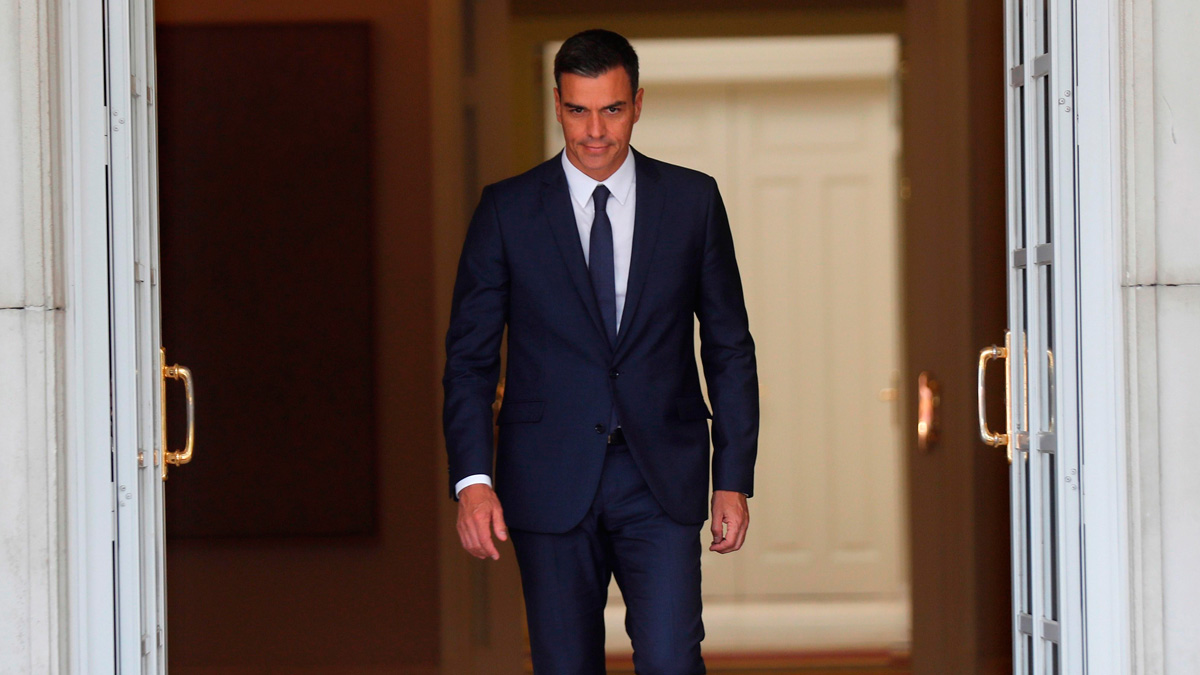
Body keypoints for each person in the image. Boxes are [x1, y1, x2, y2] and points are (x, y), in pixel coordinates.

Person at [442, 28, 759, 674]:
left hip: (660, 476)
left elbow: (729, 347)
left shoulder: (692, 202)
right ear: (557, 105)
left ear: (637, 104)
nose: (594, 130)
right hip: (548, 475)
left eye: (611, 109)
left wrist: (733, 476)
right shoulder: (507, 211)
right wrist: (473, 481)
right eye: (578, 110)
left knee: (672, 660)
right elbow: (470, 360)